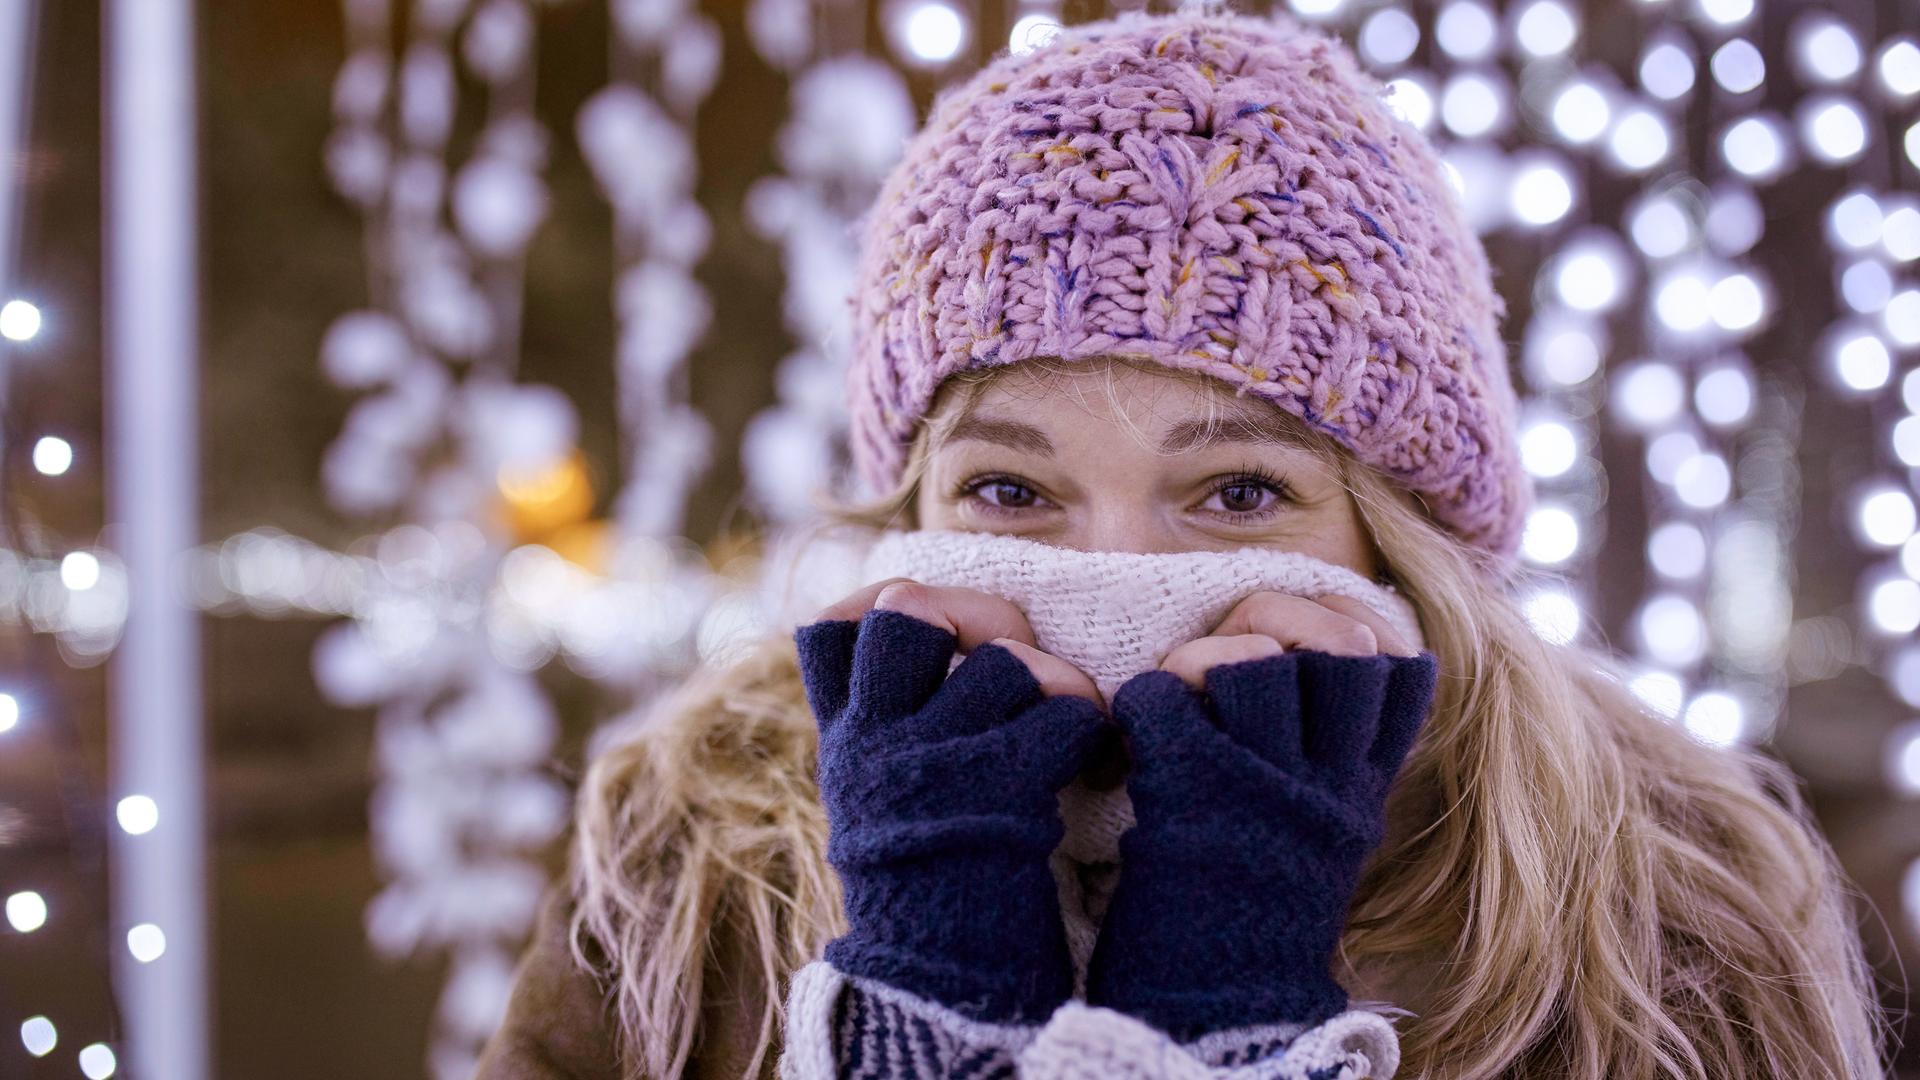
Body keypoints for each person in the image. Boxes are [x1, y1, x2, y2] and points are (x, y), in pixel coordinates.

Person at [475, 5, 1894, 1078]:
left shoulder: (1667, 907)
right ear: (908, 511)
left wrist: (1233, 978)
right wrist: (922, 980)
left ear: (1400, 538)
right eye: (1012, 495)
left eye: (1234, 494)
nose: (1124, 581)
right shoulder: (686, 857)